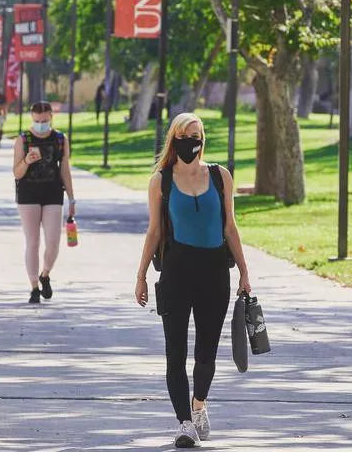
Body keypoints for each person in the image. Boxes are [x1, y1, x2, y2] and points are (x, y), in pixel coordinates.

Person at [135, 112, 251, 449]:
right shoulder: (162, 181)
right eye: (186, 135)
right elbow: (154, 231)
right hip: (176, 272)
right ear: (175, 139)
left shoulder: (220, 176)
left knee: (206, 353)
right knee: (175, 352)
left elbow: (230, 226)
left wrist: (244, 270)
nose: (192, 142)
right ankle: (184, 423)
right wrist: (141, 275)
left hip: (215, 271)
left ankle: (199, 404)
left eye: (197, 135)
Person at [13, 101, 76, 304]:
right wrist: (27, 161)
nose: (41, 124)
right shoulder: (23, 139)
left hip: (53, 192)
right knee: (32, 241)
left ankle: (45, 273)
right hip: (28, 193)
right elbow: (16, 173)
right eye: (38, 120)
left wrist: (72, 197)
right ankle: (33, 286)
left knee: (53, 241)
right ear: (32, 118)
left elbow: (65, 169)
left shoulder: (59, 139)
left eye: (45, 120)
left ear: (51, 117)